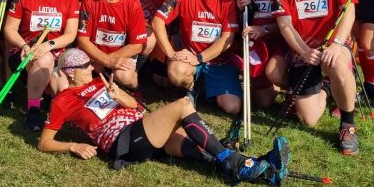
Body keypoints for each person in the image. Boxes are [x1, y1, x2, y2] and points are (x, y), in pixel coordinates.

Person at [38, 48, 289, 186]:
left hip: (141, 128)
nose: (91, 68)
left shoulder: (100, 82)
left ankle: (264, 171)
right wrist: (73, 145)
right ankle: (232, 161)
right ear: (70, 73)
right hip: (123, 141)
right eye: (85, 66)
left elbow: (134, 106)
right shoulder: (63, 101)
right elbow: (44, 142)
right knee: (182, 105)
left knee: (200, 149)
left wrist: (118, 95)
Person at [272, 0, 358, 155]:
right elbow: (284, 24)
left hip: (332, 44)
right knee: (308, 119)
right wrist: (303, 51)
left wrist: (337, 43)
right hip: (304, 49)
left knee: (337, 63)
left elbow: (348, 10)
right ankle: (329, 88)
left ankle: (348, 125)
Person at [152, 0, 242, 114]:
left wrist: (199, 58)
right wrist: (171, 53)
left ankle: (207, 87)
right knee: (175, 72)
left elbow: (227, 39)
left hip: (219, 63)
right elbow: (157, 21)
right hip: (189, 59)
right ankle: (192, 87)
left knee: (233, 107)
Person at [4, 0, 80, 131]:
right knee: (44, 59)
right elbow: (9, 29)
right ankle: (33, 110)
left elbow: (70, 34)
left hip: (57, 53)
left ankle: (47, 97)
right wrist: (24, 45)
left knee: (62, 88)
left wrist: (49, 45)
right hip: (25, 53)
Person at [77, 0, 148, 90]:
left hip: (120, 55)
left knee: (124, 76)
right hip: (93, 55)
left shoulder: (133, 4)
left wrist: (105, 61)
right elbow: (82, 39)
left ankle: (134, 88)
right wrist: (103, 60)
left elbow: (137, 46)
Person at [235, 0, 283, 108]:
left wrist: (265, 29)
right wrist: (240, 7)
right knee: (264, 103)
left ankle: (295, 89)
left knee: (273, 73)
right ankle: (273, 86)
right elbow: (237, 17)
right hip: (255, 43)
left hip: (280, 39)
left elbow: (292, 21)